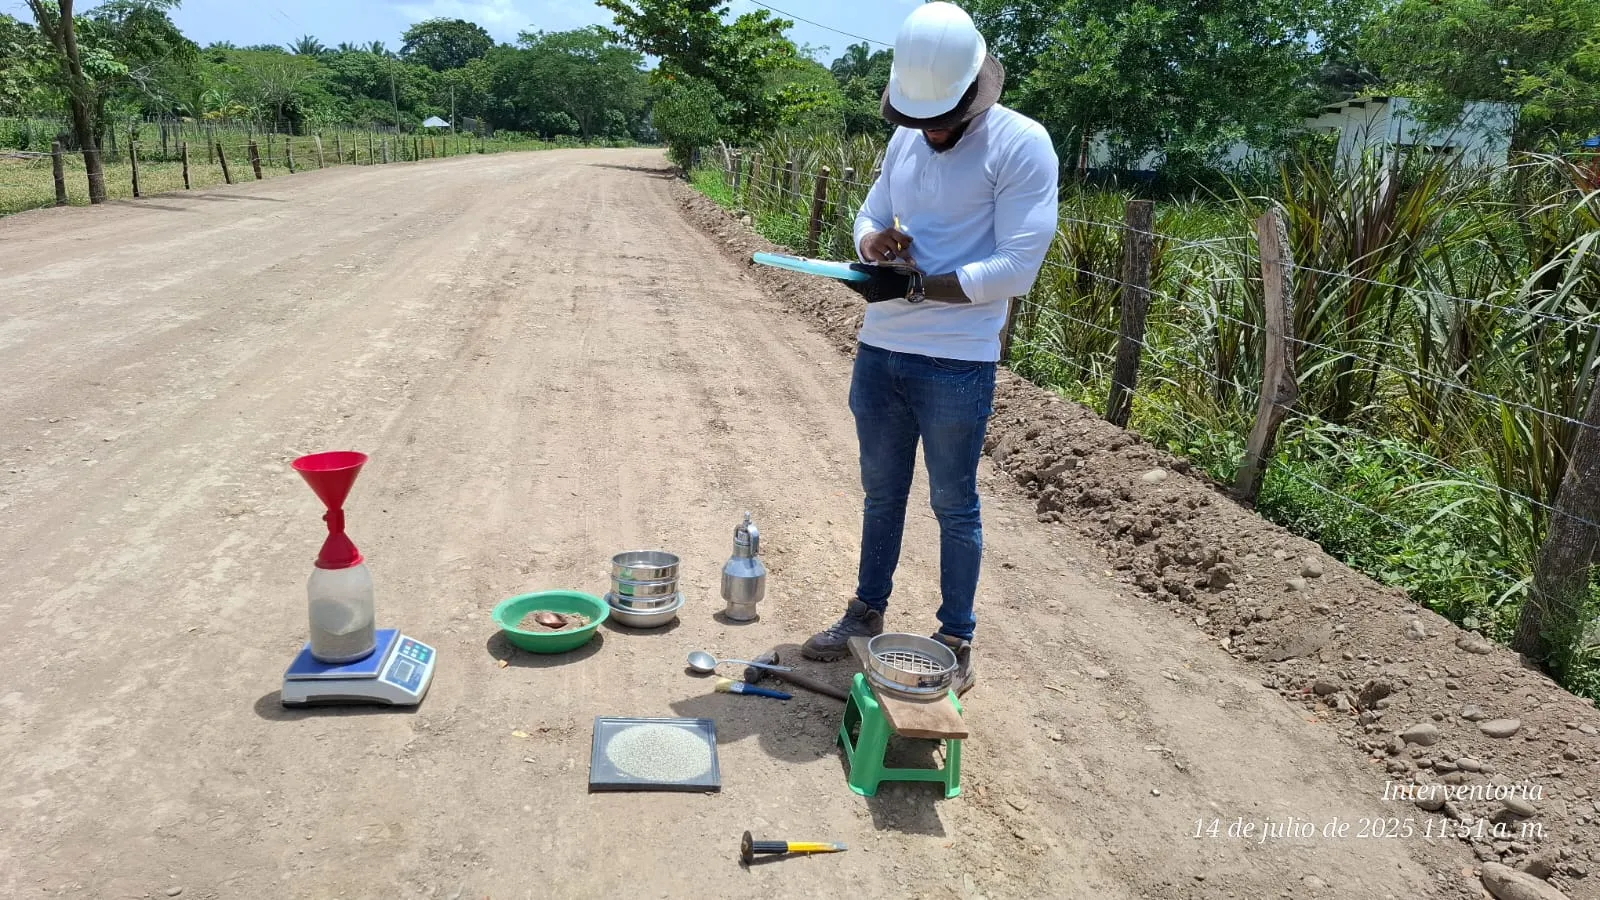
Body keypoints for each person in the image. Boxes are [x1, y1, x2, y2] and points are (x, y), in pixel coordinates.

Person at [799, 1, 1059, 697]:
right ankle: (864, 611)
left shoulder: (1021, 144)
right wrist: (871, 245)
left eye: (941, 118)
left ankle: (955, 637)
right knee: (882, 494)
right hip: (881, 350)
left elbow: (1016, 269)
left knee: (954, 503)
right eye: (918, 119)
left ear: (977, 93)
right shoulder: (907, 140)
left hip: (957, 359)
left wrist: (917, 288)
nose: (929, 130)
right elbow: (872, 213)